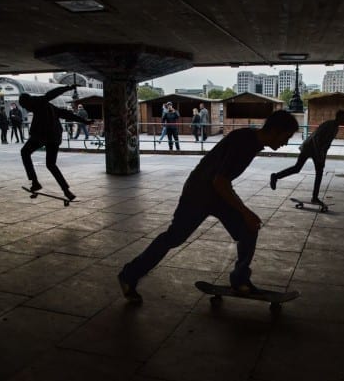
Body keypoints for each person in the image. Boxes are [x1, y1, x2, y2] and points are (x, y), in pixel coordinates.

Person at [118, 110, 299, 303]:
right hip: (198, 194)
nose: (285, 143)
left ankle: (240, 280)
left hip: (215, 194)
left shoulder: (252, 140)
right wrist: (245, 211)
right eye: (285, 137)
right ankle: (129, 275)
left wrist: (245, 214)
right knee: (174, 237)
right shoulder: (245, 143)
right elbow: (220, 181)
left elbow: (221, 181)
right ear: (275, 131)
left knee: (249, 228)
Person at [18, 85, 92, 201]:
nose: (27, 110)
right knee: (51, 164)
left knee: (24, 152)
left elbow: (51, 94)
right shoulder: (49, 106)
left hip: (42, 136)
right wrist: (84, 121)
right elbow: (65, 114)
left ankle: (34, 181)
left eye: (25, 107)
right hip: (54, 137)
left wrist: (67, 88)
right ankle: (67, 191)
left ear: (27, 102)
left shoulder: (37, 101)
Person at [270, 110, 344, 207]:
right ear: (339, 117)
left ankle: (276, 176)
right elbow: (316, 138)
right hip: (310, 147)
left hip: (315, 149)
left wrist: (322, 157)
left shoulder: (335, 128)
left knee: (308, 170)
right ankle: (276, 177)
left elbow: (326, 145)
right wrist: (318, 154)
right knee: (300, 169)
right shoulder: (329, 125)